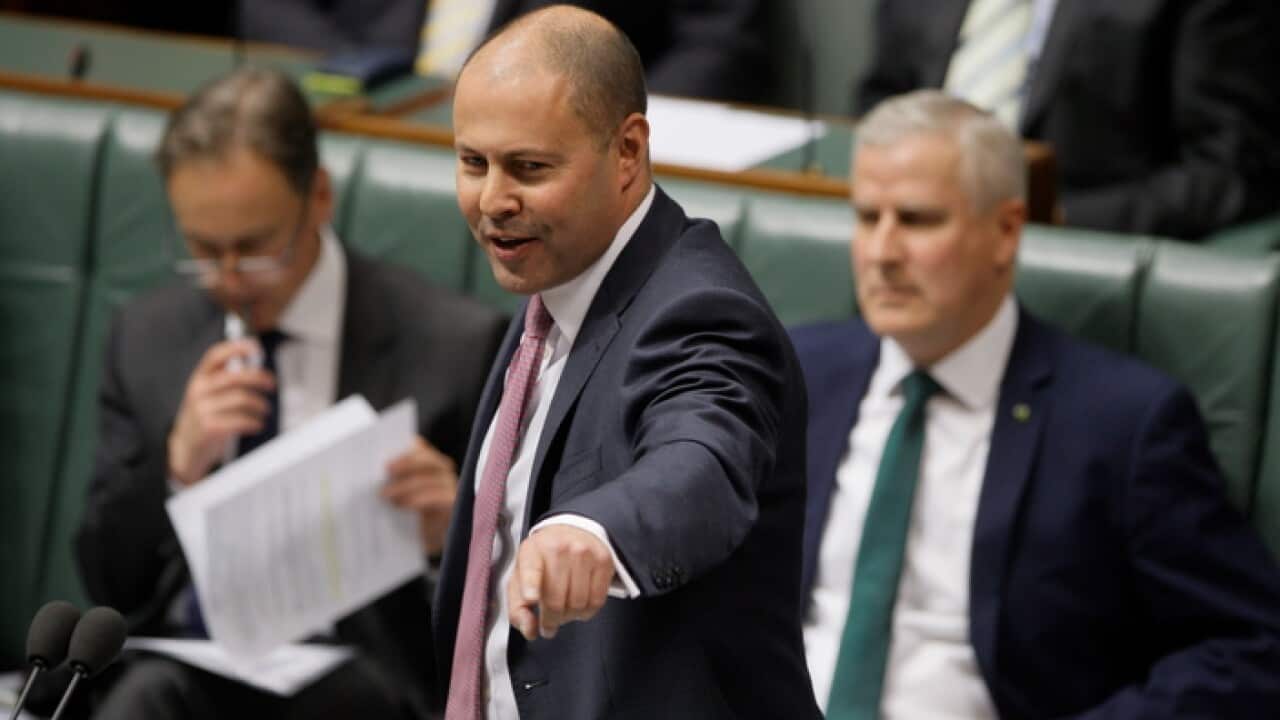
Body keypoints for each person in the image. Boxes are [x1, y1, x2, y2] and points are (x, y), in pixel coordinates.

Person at [794, 89, 1280, 719]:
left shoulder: (1122, 423)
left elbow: (1250, 647)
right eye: (867, 217)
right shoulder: (797, 373)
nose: (882, 253)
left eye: (916, 221)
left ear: (1005, 232)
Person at [75, 67, 506, 719]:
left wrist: (454, 537)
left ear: (320, 198)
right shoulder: (148, 337)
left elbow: (504, 612)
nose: (229, 279)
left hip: (367, 684)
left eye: (254, 248)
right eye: (202, 248)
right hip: (184, 674)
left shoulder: (453, 348)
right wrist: (175, 469)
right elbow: (108, 586)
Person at [431, 6, 819, 719]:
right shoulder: (555, 281)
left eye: (529, 168)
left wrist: (596, 531)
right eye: (472, 162)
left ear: (628, 153)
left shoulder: (701, 310)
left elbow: (702, 458)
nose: (492, 200)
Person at [855, 0, 1280, 239]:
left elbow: (1229, 172)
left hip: (1075, 251)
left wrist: (1048, 220)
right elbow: (880, 103)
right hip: (896, 239)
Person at [239, 0, 770, 104]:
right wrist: (359, 73)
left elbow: (721, 36)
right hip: (368, 110)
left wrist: (611, 130)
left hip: (568, 142)